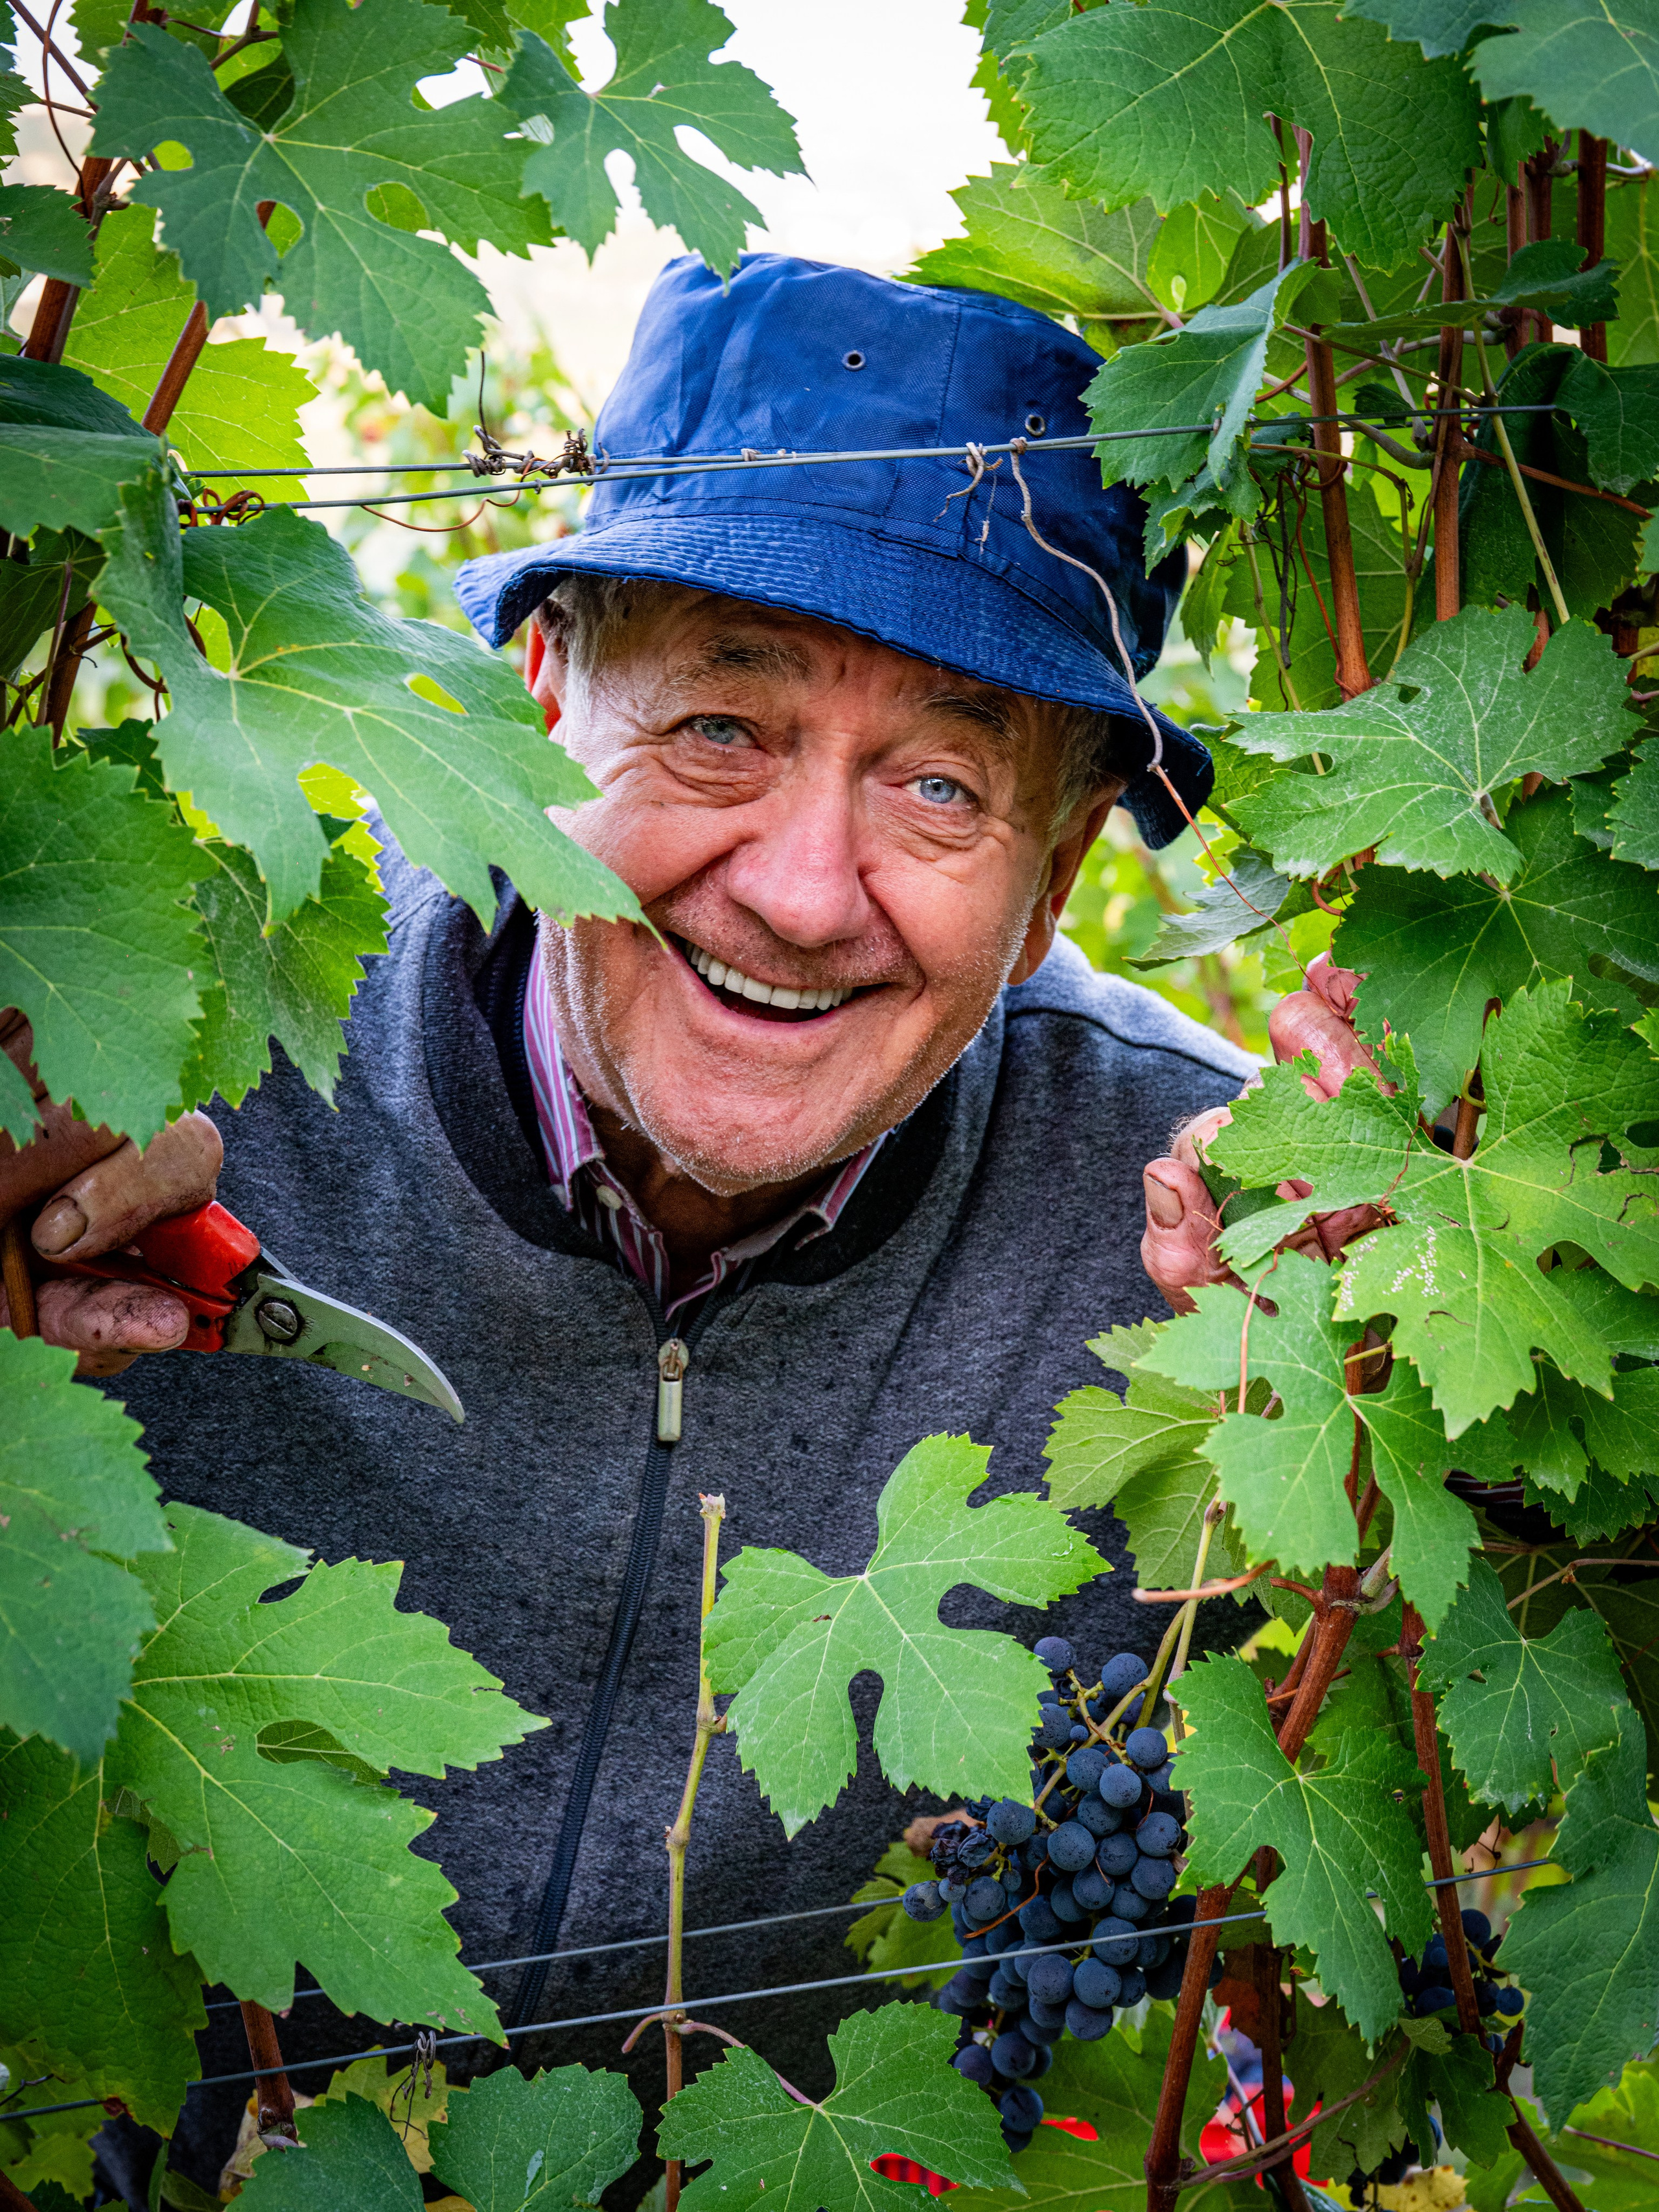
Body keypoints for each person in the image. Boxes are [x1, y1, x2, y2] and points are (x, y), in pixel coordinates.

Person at [0, 255, 1367, 2196]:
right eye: (722, 723)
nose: (806, 893)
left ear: (1056, 879)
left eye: (944, 786)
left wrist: (1370, 1368)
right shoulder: (178, 1032)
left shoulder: (1192, 1251)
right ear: (541, 697)